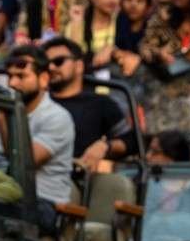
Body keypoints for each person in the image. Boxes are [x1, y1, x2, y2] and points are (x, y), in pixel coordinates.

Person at [0, 45, 75, 234]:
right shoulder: (7, 107)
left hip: (43, 204)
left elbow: (24, 161)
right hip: (3, 192)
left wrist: (2, 118)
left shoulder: (57, 117)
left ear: (43, 79)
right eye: (10, 76)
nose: (12, 84)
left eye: (21, 76)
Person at [43, 37, 132, 170]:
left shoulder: (100, 103)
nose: (51, 67)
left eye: (58, 61)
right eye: (45, 64)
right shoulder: (36, 102)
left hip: (81, 180)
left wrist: (105, 146)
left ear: (79, 66)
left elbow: (131, 141)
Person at [64, 0, 122, 76]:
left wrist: (112, 50)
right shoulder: (77, 23)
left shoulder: (120, 23)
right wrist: (76, 23)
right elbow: (74, 57)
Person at [112, 0, 151, 76]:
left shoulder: (153, 30)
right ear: (121, 2)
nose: (133, 5)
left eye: (140, 1)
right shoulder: (113, 24)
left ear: (148, 6)